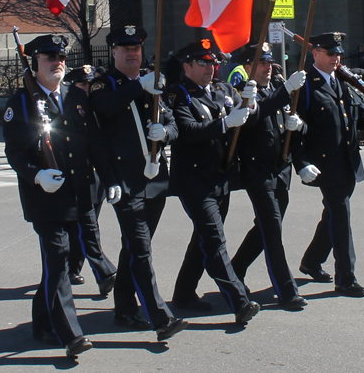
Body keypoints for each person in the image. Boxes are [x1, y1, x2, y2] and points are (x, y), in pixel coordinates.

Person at [3, 34, 117, 358]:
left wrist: (109, 179)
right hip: (46, 198)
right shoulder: (21, 103)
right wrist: (36, 175)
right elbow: (15, 152)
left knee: (61, 265)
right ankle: (70, 334)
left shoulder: (74, 97)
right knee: (58, 258)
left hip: (79, 194)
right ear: (34, 62)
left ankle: (42, 321)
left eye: (61, 56)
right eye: (50, 57)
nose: (58, 62)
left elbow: (93, 142)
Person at [90, 26, 188, 342]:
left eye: (137, 48)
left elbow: (172, 120)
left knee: (134, 248)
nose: (132, 53)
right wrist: (137, 88)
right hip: (125, 182)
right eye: (125, 48)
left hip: (155, 178)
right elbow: (105, 109)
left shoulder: (153, 83)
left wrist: (167, 133)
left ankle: (123, 309)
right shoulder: (102, 84)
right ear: (114, 52)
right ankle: (161, 317)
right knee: (141, 250)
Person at [292, 32, 364, 297]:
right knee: (341, 217)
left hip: (348, 162)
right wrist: (301, 163)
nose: (336, 58)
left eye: (338, 54)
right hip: (325, 165)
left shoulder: (344, 83)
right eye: (330, 54)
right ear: (315, 53)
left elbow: (359, 119)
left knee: (332, 214)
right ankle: (345, 278)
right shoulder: (305, 86)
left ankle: (311, 261)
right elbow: (293, 132)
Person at [167, 39, 259, 325]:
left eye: (212, 62)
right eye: (203, 62)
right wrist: (224, 124)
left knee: (203, 238)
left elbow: (246, 119)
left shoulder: (221, 89)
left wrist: (251, 103)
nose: (210, 67)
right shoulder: (179, 95)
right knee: (215, 240)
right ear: (187, 67)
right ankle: (239, 301)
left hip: (221, 176)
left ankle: (183, 292)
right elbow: (189, 131)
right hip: (194, 179)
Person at [231, 44, 308, 310]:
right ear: (248, 67)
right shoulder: (244, 92)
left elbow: (292, 125)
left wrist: (297, 126)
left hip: (280, 170)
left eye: (269, 63)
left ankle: (235, 269)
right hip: (257, 171)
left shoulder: (275, 88)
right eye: (261, 64)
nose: (268, 67)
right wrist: (286, 91)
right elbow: (253, 117)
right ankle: (287, 291)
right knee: (272, 230)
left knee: (264, 228)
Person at [63, 65, 117, 294]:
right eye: (82, 84)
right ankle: (103, 271)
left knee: (87, 224)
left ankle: (71, 268)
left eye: (90, 84)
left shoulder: (99, 104)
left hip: (98, 174)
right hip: (78, 173)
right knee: (87, 226)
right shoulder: (67, 107)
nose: (88, 88)